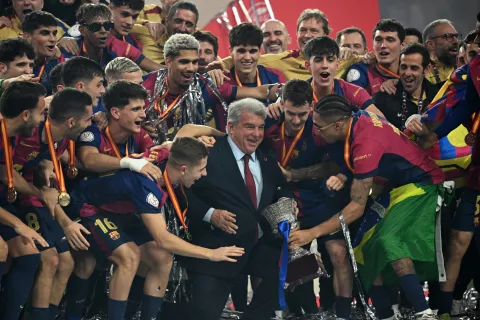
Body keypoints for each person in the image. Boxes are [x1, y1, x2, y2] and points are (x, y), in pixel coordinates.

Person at [289, 94, 448, 320]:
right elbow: (336, 164)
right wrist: (293, 174)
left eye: (318, 127)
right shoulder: (354, 122)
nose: (315, 131)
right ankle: (385, 314)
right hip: (395, 188)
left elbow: (356, 208)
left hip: (423, 183)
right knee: (361, 246)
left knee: (388, 240)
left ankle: (424, 313)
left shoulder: (366, 142)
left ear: (337, 125)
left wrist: (311, 233)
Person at [182, 98, 294, 320]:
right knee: (203, 314)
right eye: (249, 126)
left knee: (293, 266)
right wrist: (209, 214)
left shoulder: (266, 155)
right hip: (218, 249)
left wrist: (287, 203)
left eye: (261, 127)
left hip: (259, 245)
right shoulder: (208, 152)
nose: (256, 134)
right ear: (231, 127)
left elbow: (282, 188)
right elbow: (184, 192)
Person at [407, 13, 480, 319]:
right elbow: (465, 107)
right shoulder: (474, 69)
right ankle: (445, 310)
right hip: (478, 170)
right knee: (459, 239)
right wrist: (433, 133)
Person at [265, 79, 353, 319]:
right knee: (292, 255)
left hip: (318, 198)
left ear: (311, 109)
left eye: (302, 114)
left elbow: (339, 163)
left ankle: (341, 312)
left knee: (337, 253)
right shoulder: (269, 122)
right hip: (282, 200)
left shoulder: (319, 130)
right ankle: (300, 312)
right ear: (281, 104)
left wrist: (295, 174)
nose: (295, 120)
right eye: (290, 113)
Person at [12, 88, 94, 320]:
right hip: (18, 199)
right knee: (51, 259)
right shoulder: (27, 132)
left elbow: (44, 184)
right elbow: (7, 171)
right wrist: (66, 222)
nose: (92, 124)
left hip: (32, 197)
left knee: (66, 262)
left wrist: (46, 167)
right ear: (70, 121)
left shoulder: (61, 139)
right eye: (88, 118)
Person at [142, 33, 284, 140]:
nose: (191, 68)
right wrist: (140, 127)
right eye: (184, 62)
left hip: (192, 157)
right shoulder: (146, 85)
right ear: (168, 61)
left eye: (194, 62)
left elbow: (258, 92)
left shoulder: (206, 85)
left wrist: (281, 95)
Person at [0, 81, 54, 320]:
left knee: (28, 251)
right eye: (42, 113)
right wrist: (17, 224)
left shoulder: (10, 134)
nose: (43, 119)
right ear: (25, 115)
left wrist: (38, 192)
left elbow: (5, 172)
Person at [62, 3, 161, 72]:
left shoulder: (119, 47)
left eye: (107, 26)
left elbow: (157, 69)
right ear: (82, 30)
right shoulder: (69, 48)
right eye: (95, 27)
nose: (103, 31)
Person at [372, 43, 439, 130]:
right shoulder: (382, 99)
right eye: (403, 67)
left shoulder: (438, 97)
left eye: (414, 68)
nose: (407, 73)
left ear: (426, 69)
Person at [346, 19, 406, 95]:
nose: (383, 45)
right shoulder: (361, 70)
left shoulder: (411, 71)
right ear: (373, 43)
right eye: (378, 40)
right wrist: (382, 94)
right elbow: (354, 103)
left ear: (402, 45)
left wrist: (399, 83)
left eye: (390, 40)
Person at [131, 0, 198, 64]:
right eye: (178, 21)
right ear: (166, 21)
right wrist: (145, 23)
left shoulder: (197, 41)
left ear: (194, 29)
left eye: (189, 24)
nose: (182, 28)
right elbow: (123, 22)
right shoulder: (147, 31)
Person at [227, 23, 286, 89]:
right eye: (241, 51)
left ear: (259, 52)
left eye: (253, 51)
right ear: (231, 51)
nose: (247, 57)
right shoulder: (222, 81)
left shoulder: (276, 77)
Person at [22, 11, 66, 94]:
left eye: (54, 33)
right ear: (27, 37)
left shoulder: (56, 62)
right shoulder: (10, 60)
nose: (53, 39)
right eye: (45, 33)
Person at [0, 0, 70, 40]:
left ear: (42, 3)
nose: (26, 3)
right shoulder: (2, 28)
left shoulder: (61, 30)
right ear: (13, 3)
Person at [423, 19, 461, 84]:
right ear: (430, 44)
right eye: (448, 36)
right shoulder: (419, 73)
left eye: (456, 36)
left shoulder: (465, 69)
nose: (456, 41)